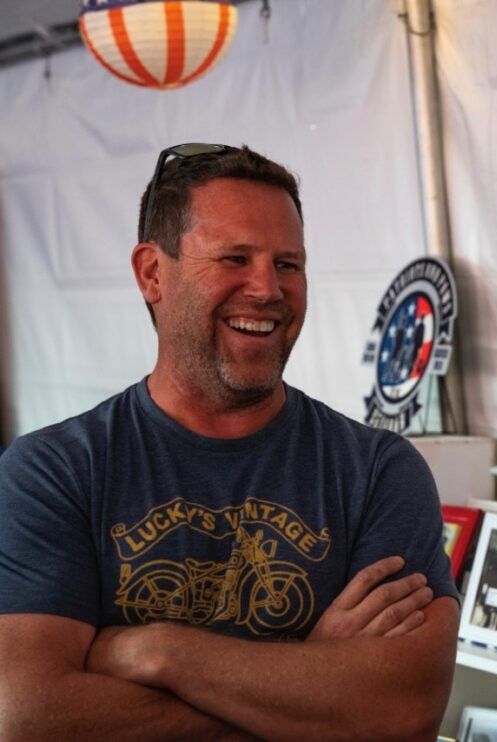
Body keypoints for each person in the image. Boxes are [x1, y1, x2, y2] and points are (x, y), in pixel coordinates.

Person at [0, 144, 460, 739]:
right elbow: (29, 716)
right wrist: (311, 688)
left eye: (288, 264)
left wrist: (161, 653)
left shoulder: (377, 469)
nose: (268, 288)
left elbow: (404, 708)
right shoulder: (53, 471)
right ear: (152, 273)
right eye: (234, 258)